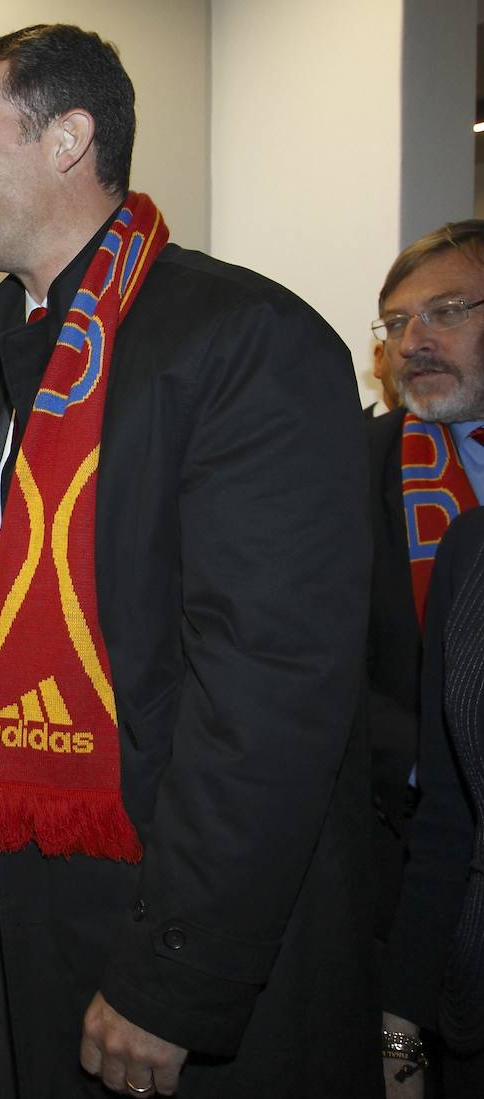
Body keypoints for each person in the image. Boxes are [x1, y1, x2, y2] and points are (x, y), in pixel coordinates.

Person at [0, 24, 375, 1098]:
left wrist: (176, 976)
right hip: (25, 898)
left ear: (69, 138)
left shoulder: (245, 340)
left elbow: (272, 694)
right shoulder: (14, 355)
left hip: (164, 928)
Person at [376, 223, 484, 1097]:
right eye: (398, 321)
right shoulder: (349, 470)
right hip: (402, 855)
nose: (416, 342)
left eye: (447, 311)